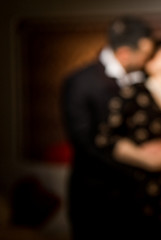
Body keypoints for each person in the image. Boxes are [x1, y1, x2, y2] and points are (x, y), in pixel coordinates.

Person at [62, 16, 154, 239]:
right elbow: (84, 142)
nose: (148, 60)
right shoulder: (80, 82)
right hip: (95, 195)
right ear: (124, 53)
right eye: (145, 55)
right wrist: (140, 159)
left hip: (135, 195)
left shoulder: (144, 79)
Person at [95, 40, 161, 239]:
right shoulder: (133, 93)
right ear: (147, 63)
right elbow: (106, 138)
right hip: (140, 191)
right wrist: (143, 157)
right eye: (158, 58)